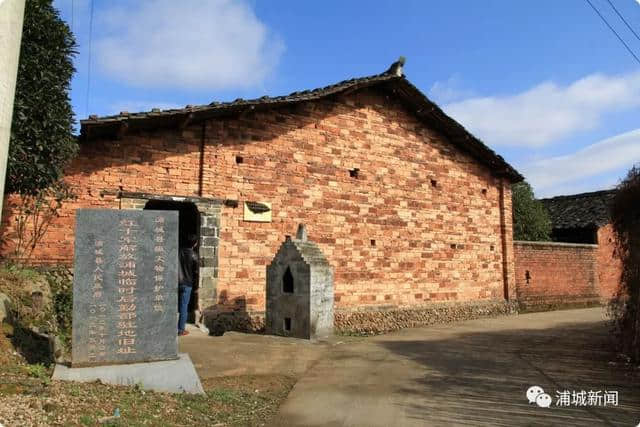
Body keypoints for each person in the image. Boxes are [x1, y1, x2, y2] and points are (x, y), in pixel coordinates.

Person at [178, 233, 199, 336]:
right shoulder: (194, 256)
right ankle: (181, 329)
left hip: (176, 281)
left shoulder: (178, 252)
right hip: (187, 284)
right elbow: (196, 272)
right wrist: (196, 287)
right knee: (183, 307)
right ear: (195, 244)